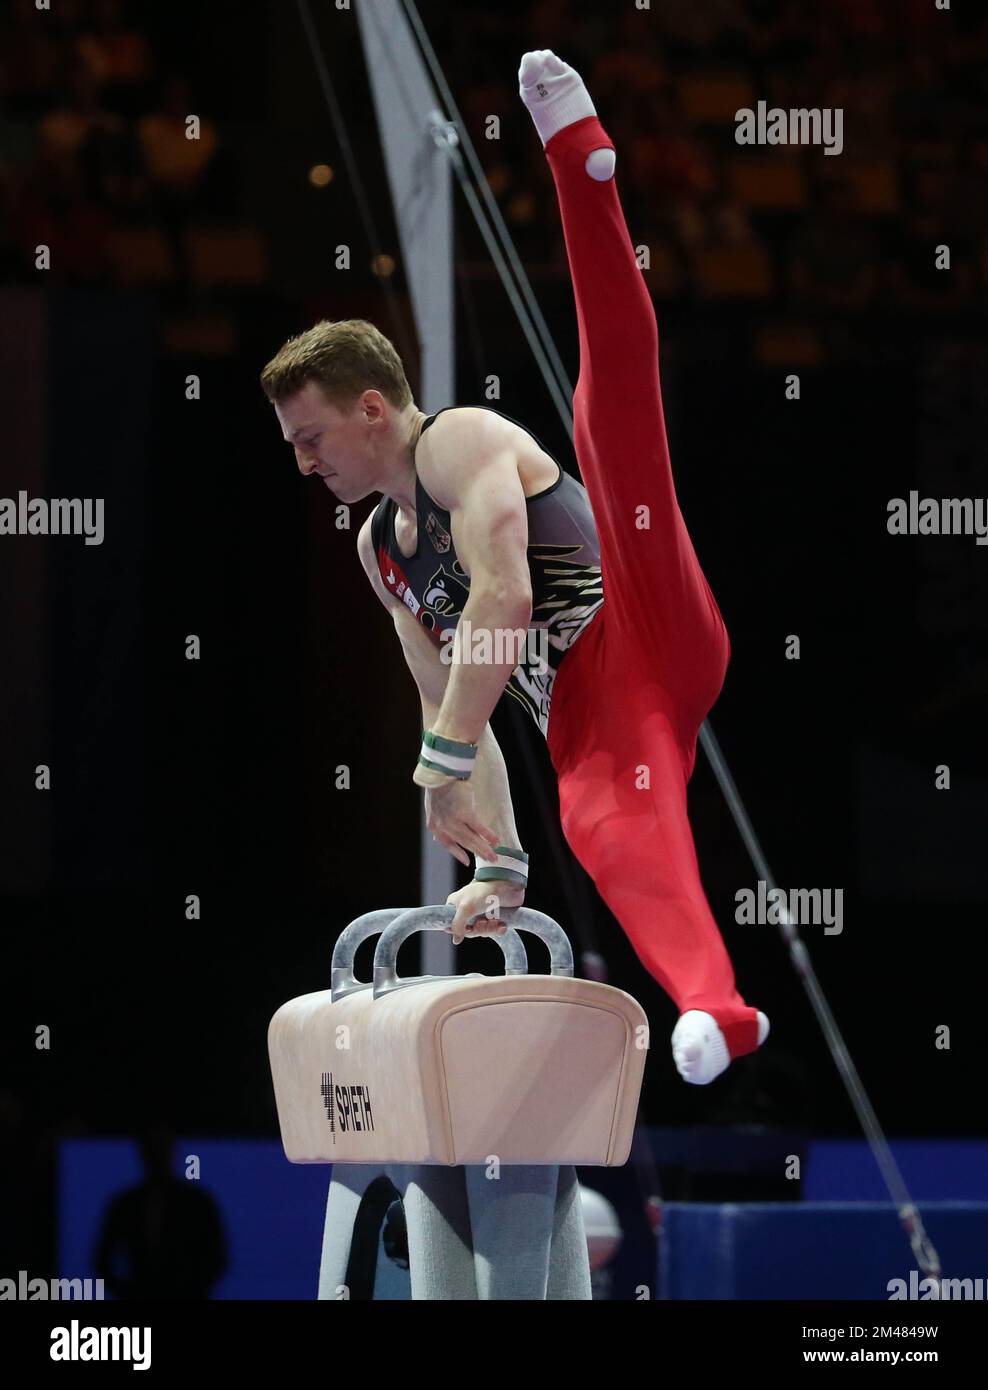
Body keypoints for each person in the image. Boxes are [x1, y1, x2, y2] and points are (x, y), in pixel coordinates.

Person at [259, 51, 768, 1085]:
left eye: (312, 437)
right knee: (600, 826)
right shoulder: (377, 553)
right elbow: (456, 705)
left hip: (637, 622)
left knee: (610, 424)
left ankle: (581, 160)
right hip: (591, 718)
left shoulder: (457, 440)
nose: (304, 462)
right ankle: (719, 1008)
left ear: (371, 408)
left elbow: (505, 595)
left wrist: (437, 766)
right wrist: (495, 856)